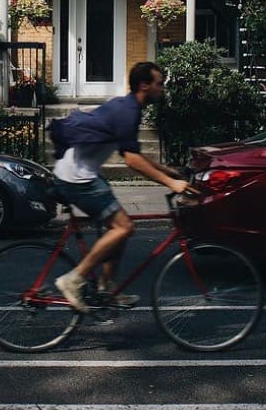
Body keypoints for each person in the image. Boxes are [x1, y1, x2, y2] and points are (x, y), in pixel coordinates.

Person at [51, 61, 192, 313]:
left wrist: (165, 169)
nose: (163, 89)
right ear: (144, 85)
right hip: (77, 178)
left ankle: (106, 288)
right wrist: (172, 183)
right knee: (123, 226)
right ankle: (73, 279)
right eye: (159, 84)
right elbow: (132, 160)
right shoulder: (128, 112)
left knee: (120, 228)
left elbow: (133, 152)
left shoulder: (127, 107)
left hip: (81, 173)